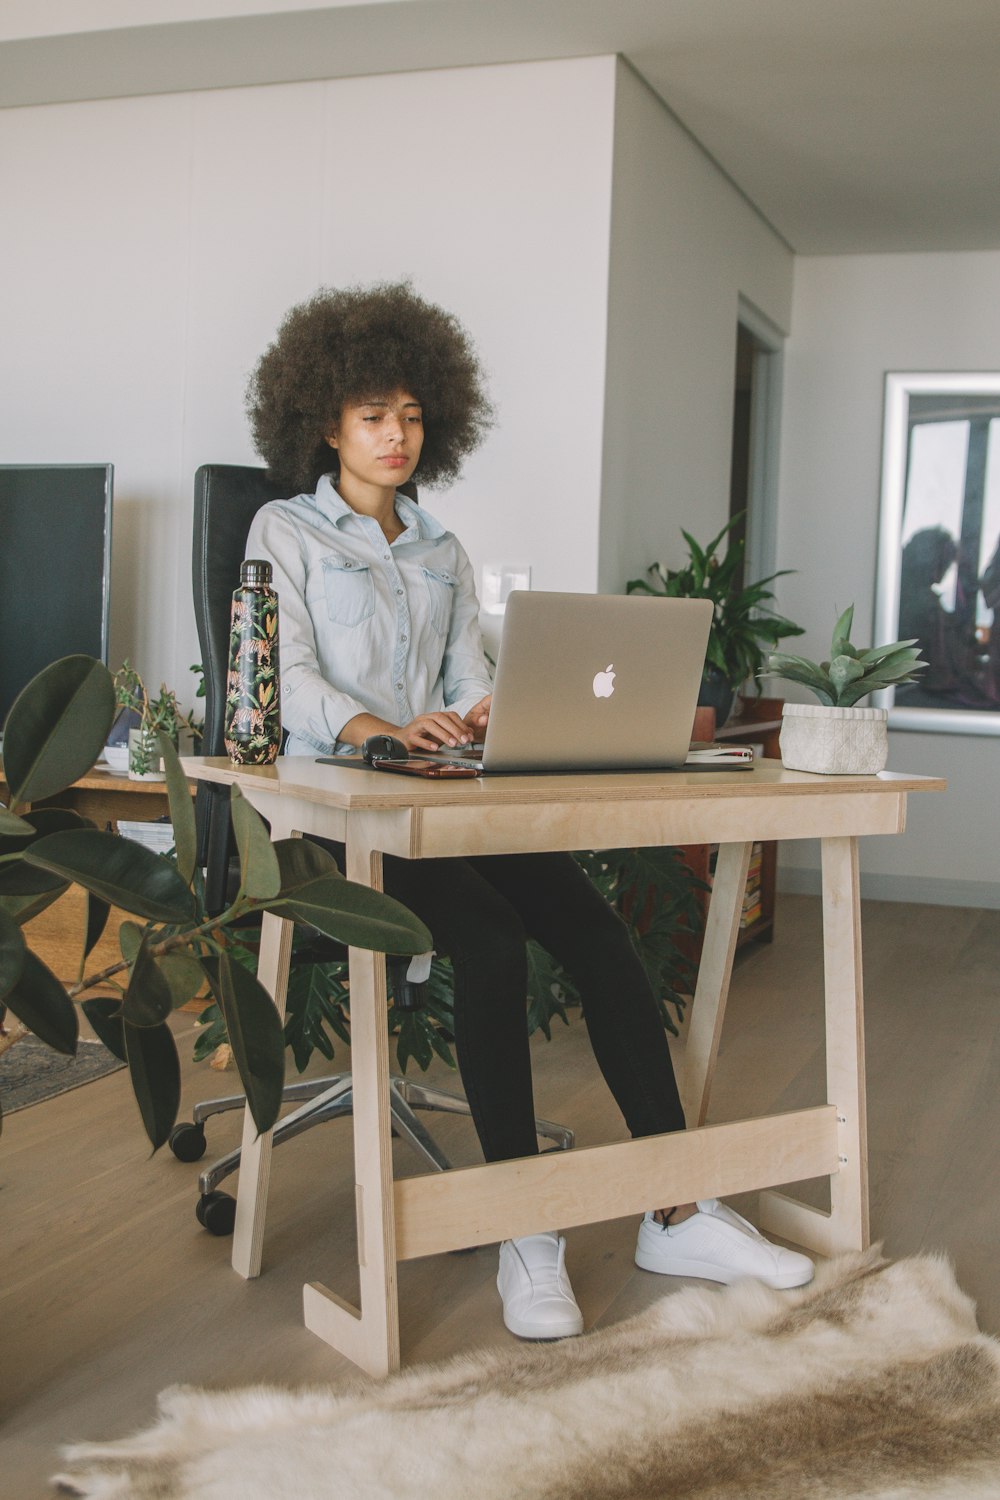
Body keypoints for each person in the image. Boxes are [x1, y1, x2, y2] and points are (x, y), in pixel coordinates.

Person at [244, 282, 813, 1340]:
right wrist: (377, 727)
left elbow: (465, 675)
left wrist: (476, 713)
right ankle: (521, 1225)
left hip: (444, 802)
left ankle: (677, 1207)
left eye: (412, 415)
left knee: (600, 940)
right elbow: (278, 684)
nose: (396, 434)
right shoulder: (282, 533)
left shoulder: (442, 551)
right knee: (493, 939)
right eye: (373, 415)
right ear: (326, 422)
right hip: (337, 813)